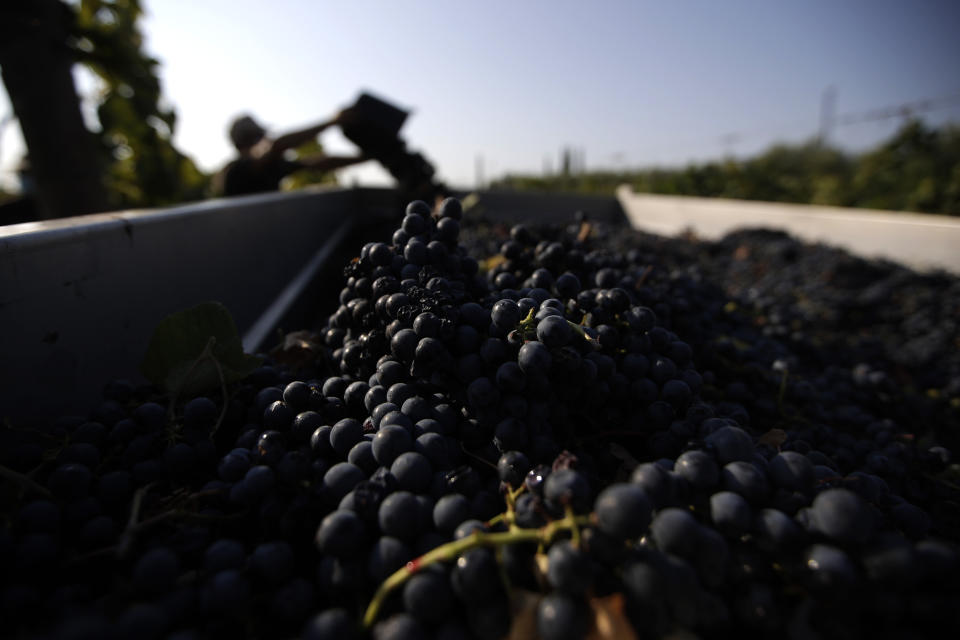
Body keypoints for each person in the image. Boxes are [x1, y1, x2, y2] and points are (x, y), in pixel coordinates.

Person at [217, 110, 369, 197]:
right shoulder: (236, 171)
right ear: (239, 145)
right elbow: (277, 146)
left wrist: (366, 157)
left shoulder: (273, 167)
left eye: (262, 135)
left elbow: (316, 163)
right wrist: (332, 122)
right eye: (256, 137)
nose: (263, 141)